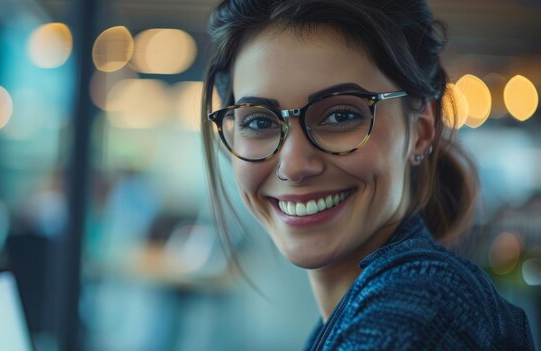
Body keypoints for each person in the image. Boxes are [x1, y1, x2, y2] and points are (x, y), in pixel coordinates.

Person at [199, 0, 535, 350]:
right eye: (259, 121)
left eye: (341, 116)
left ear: (421, 129)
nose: (294, 165)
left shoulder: (416, 308)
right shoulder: (382, 303)